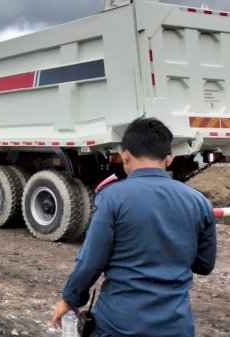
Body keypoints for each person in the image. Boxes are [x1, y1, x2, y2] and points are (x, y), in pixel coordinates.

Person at [51, 117, 217, 337]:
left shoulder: (112, 197)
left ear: (124, 155)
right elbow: (205, 265)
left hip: (118, 324)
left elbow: (91, 261)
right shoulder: (199, 202)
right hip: (177, 326)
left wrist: (69, 299)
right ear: (169, 158)